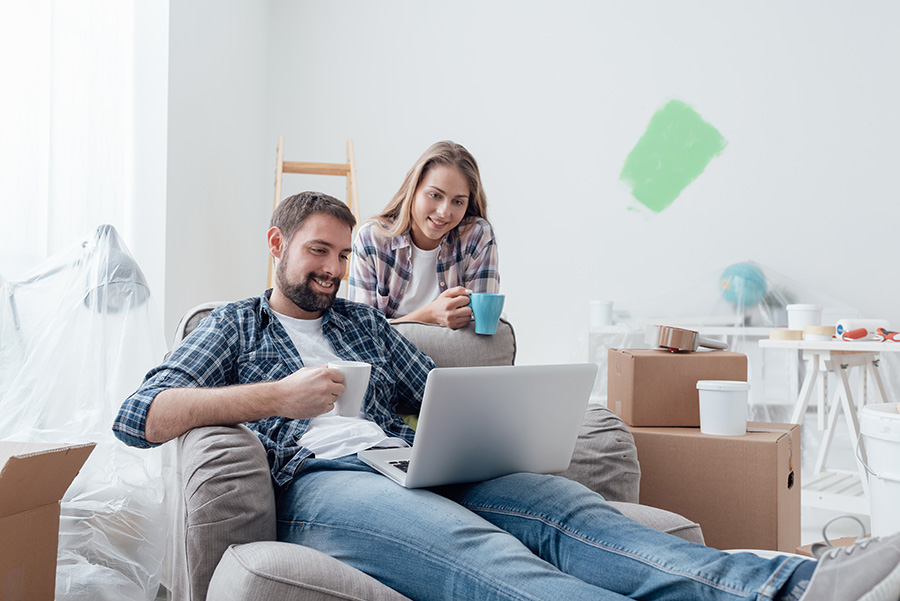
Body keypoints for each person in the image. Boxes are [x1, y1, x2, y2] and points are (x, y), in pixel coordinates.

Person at [114, 191, 900, 601]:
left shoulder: (360, 322)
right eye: (318, 251)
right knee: (477, 550)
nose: (332, 269)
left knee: (573, 514)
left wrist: (489, 425)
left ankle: (794, 583)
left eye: (343, 255)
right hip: (323, 484)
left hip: (409, 461)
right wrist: (275, 396)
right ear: (277, 245)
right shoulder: (233, 325)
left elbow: (437, 390)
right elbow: (137, 415)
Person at [349, 140, 499, 329]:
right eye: (435, 195)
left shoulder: (476, 236)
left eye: (458, 202)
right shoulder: (372, 240)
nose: (444, 212)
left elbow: (480, 326)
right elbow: (361, 333)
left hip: (452, 350)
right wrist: (430, 315)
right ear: (413, 190)